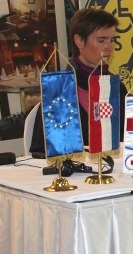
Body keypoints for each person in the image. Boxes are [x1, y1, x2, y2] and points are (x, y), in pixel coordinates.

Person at [30, 8, 127, 150]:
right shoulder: (58, 91)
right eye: (102, 40)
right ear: (79, 40)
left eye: (112, 40)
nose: (110, 47)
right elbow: (41, 152)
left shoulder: (117, 87)